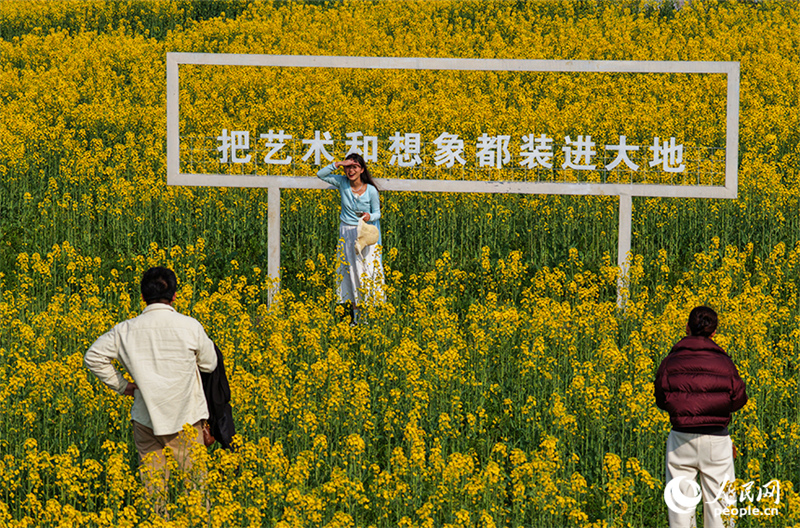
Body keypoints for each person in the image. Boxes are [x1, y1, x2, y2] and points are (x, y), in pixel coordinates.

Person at [84, 266, 217, 498]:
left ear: (143, 297)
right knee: (196, 490)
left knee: (153, 492)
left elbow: (93, 357)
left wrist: (123, 385)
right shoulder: (190, 326)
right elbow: (210, 364)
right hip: (186, 420)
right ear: (174, 296)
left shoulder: (124, 330)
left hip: (146, 421)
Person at [654, 306, 748, 528]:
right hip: (717, 439)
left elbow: (661, 397)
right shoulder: (724, 362)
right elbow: (738, 398)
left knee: (680, 505)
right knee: (720, 505)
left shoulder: (671, 361)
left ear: (687, 328)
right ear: (714, 332)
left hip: (681, 439)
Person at [317, 152, 384, 324]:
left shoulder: (371, 190)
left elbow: (378, 213)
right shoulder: (342, 183)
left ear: (362, 170)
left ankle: (366, 317)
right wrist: (339, 163)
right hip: (347, 233)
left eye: (354, 167)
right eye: (348, 167)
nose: (350, 171)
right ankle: (356, 318)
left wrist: (369, 216)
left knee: (365, 272)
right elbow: (320, 174)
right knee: (351, 273)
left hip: (365, 234)